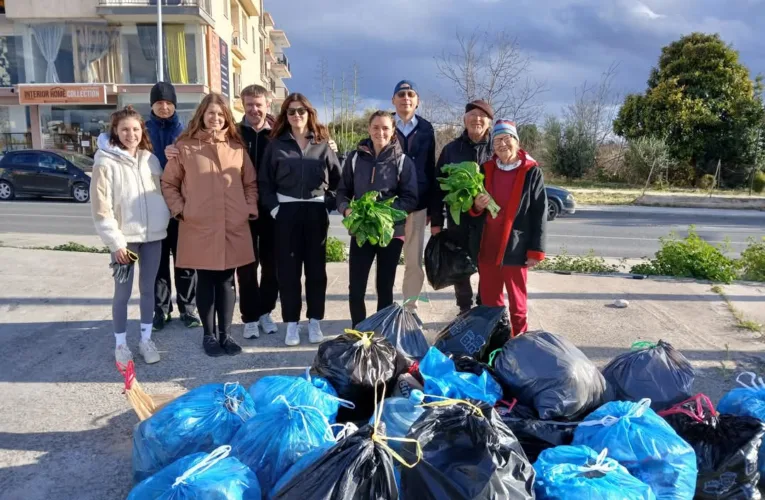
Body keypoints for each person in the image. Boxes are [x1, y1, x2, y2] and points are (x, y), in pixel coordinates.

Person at [166, 84, 279, 340]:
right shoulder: (234, 135)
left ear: (267, 105)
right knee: (245, 270)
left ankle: (265, 312)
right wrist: (182, 209)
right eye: (249, 104)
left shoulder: (276, 134)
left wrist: (325, 140)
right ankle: (249, 316)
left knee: (272, 267)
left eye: (258, 104)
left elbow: (301, 141)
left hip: (266, 211)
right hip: (232, 216)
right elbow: (171, 181)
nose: (254, 109)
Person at [259, 93, 342, 346]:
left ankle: (315, 321)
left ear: (309, 113)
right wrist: (275, 210)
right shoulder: (276, 144)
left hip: (315, 213)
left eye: (301, 111)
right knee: (288, 272)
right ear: (285, 115)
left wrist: (327, 204)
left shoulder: (323, 144)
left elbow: (338, 180)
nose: (296, 115)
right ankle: (292, 324)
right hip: (286, 214)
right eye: (291, 111)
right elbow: (264, 181)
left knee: (317, 271)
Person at [91, 106, 171, 365]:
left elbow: (161, 193)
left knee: (148, 291)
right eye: (125, 129)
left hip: (153, 237)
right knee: (122, 294)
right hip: (125, 241)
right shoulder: (105, 162)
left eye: (136, 129)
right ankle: (121, 345)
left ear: (141, 131)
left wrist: (165, 217)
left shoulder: (151, 159)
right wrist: (115, 243)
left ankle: (146, 340)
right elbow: (101, 208)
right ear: (115, 130)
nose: (131, 134)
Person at [336, 111, 418, 327]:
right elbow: (342, 192)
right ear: (369, 129)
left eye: (385, 128)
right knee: (356, 288)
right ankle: (359, 331)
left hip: (390, 232)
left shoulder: (402, 161)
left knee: (385, 287)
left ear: (392, 132)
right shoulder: (355, 158)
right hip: (361, 230)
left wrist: (383, 215)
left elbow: (410, 198)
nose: (380, 132)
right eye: (375, 127)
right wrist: (346, 210)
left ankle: (381, 334)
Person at [470, 120, 547, 336]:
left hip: (516, 247)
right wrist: (476, 205)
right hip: (488, 246)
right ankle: (494, 342)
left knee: (518, 305)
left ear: (517, 141)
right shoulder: (485, 169)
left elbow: (539, 213)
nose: (502, 144)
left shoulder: (531, 171)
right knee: (489, 303)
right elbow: (473, 208)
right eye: (497, 141)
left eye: (506, 139)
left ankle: (519, 342)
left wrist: (535, 251)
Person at [430, 100, 494, 314]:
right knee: (459, 264)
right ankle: (464, 309)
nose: (477, 119)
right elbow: (438, 187)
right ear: (464, 120)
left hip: (489, 222)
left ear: (489, 121)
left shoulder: (498, 148)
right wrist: (437, 222)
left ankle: (484, 307)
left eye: (482, 115)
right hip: (459, 219)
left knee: (488, 267)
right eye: (472, 115)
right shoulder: (451, 150)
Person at [146, 82, 201, 331]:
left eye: (168, 103)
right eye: (159, 103)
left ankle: (188, 309)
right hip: (153, 206)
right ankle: (162, 310)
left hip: (181, 206)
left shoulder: (186, 131)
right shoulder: (143, 132)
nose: (164, 107)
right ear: (152, 106)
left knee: (186, 260)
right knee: (158, 263)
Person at [391, 80, 436, 320]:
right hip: (389, 205)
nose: (405, 98)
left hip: (417, 205)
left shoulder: (427, 129)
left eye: (410, 94)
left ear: (417, 100)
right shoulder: (384, 125)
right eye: (401, 94)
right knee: (387, 260)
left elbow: (430, 168)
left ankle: (410, 308)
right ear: (393, 100)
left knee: (413, 262)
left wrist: (429, 207)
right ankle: (385, 307)